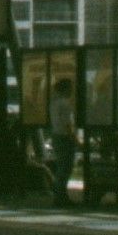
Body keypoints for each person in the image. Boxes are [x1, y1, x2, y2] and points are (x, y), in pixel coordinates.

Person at [46, 76, 78, 207]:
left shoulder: (54, 103)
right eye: (70, 88)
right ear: (65, 89)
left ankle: (59, 195)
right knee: (66, 167)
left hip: (56, 135)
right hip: (64, 137)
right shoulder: (65, 103)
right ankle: (60, 195)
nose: (72, 91)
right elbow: (67, 123)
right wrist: (74, 137)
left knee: (61, 167)